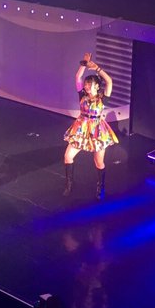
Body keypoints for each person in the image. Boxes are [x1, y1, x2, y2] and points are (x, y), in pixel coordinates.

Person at [63, 53, 119, 200]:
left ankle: (101, 187)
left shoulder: (102, 98)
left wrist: (97, 68)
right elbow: (77, 77)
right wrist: (84, 63)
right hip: (80, 129)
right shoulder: (82, 95)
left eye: (89, 84)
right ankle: (69, 184)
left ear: (97, 86)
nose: (86, 86)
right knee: (68, 156)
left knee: (98, 162)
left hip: (97, 131)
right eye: (86, 84)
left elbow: (109, 81)